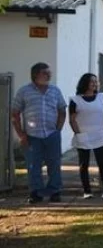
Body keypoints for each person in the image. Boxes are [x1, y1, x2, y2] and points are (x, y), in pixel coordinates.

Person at [11, 63, 67, 204]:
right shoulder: (24, 91)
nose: (49, 75)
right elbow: (15, 113)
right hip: (32, 136)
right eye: (45, 73)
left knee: (54, 164)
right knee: (33, 165)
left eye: (49, 72)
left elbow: (62, 110)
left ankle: (54, 192)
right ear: (36, 75)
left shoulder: (55, 90)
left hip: (51, 134)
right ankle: (36, 193)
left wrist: (58, 130)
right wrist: (21, 134)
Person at [69, 73, 103, 199]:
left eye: (96, 81)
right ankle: (87, 191)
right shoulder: (75, 100)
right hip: (84, 136)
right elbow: (72, 120)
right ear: (85, 83)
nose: (94, 83)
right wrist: (78, 134)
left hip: (99, 135)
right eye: (91, 81)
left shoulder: (101, 97)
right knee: (84, 164)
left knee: (102, 163)